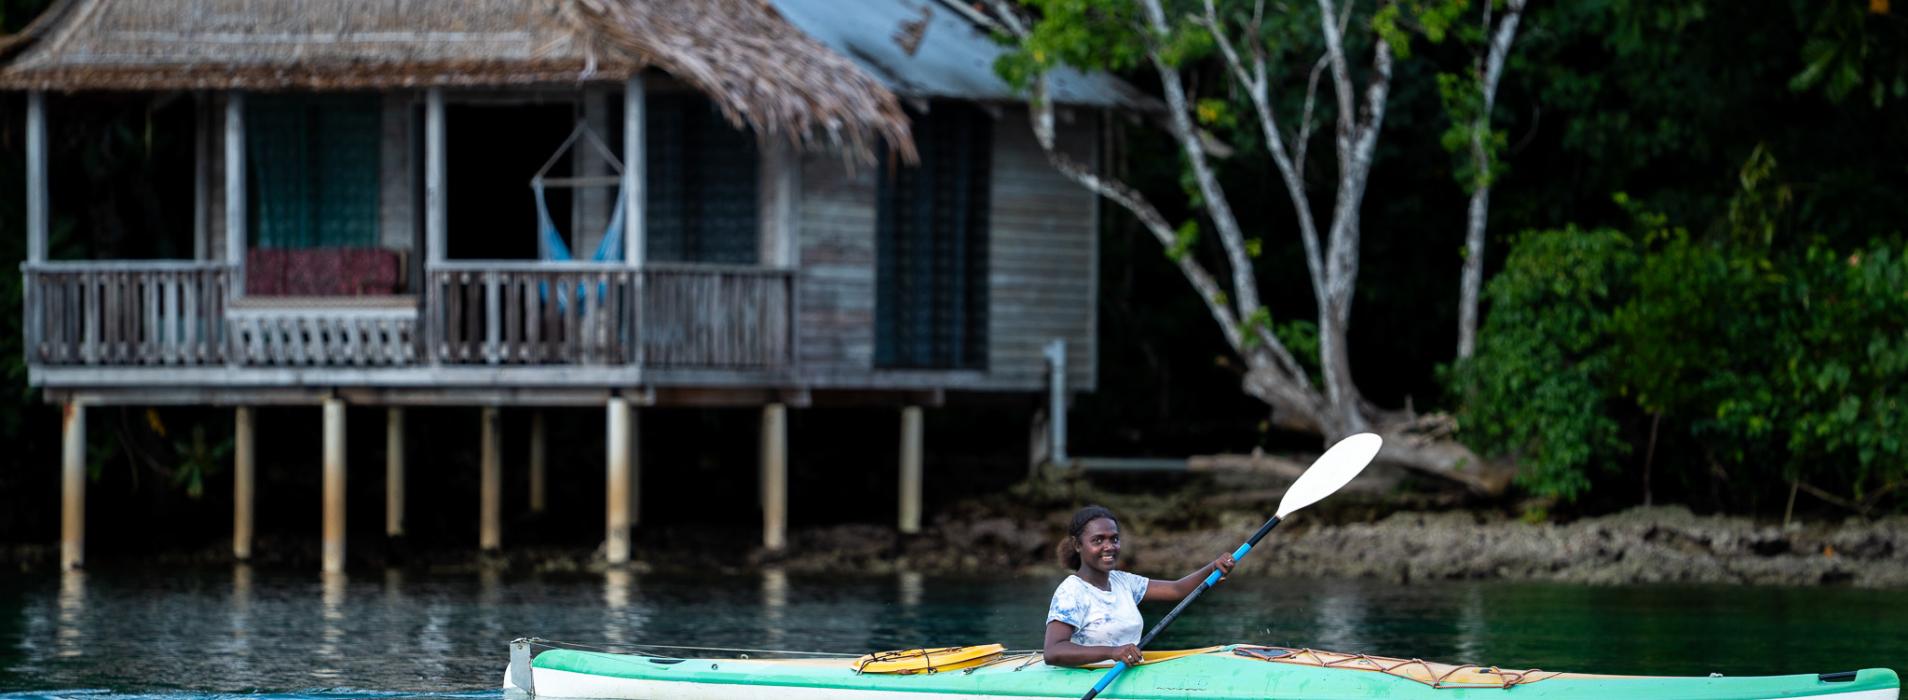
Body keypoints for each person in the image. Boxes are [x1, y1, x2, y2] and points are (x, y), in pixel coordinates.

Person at [1043, 504, 1236, 668]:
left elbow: (1176, 589)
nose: (1109, 546)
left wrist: (1212, 568)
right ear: (1078, 545)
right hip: (1087, 677)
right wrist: (1113, 652)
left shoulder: (1123, 582)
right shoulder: (1071, 591)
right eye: (1098, 540)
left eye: (1114, 539)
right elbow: (1053, 651)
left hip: (1129, 672)